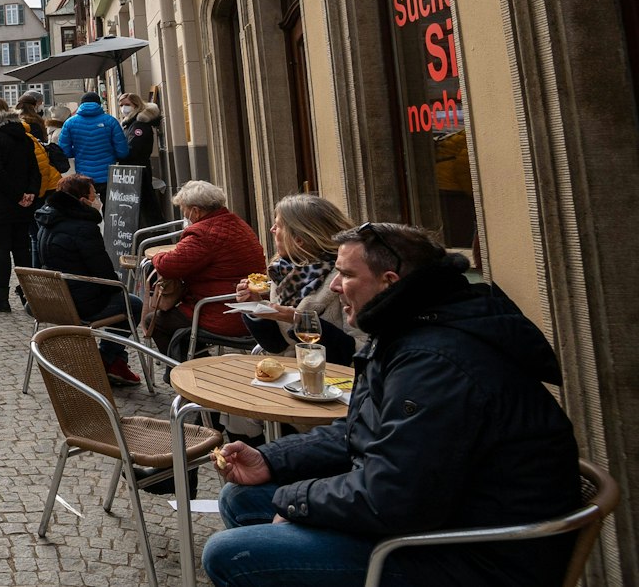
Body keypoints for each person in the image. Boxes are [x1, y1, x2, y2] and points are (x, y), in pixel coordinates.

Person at [203, 224, 579, 587]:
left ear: (389, 282)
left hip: (474, 554)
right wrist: (271, 459)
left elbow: (395, 496)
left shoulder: (435, 360)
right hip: (439, 520)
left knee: (231, 553)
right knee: (242, 495)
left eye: (346, 275)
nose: (334, 286)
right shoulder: (410, 330)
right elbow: (362, 432)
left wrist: (295, 499)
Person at [33, 175, 142, 385]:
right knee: (133, 303)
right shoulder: (84, 228)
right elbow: (103, 273)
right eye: (94, 195)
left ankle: (116, 364)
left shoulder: (46, 221)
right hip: (79, 303)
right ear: (83, 200)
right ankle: (106, 360)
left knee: (121, 298)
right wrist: (116, 287)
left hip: (51, 300)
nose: (97, 199)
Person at [234, 194, 364, 366]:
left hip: (335, 378)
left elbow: (359, 353)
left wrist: (302, 321)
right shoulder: (282, 273)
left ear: (299, 239)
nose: (272, 229)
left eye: (278, 225)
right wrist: (255, 308)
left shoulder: (346, 277)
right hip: (291, 373)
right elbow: (277, 346)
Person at [147, 180, 267, 355]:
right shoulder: (236, 222)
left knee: (156, 321)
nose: (185, 216)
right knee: (178, 322)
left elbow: (167, 266)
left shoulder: (202, 233)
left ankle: (185, 373)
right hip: (248, 307)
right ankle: (197, 362)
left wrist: (156, 256)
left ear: (195, 211)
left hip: (221, 311)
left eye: (184, 211)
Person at [0, 96, 41, 313]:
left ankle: (2, 299)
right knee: (22, 250)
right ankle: (29, 298)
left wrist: (16, 195)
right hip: (23, 202)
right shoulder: (24, 136)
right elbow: (35, 168)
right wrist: (30, 193)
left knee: (1, 250)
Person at [57, 92, 128, 197]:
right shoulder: (110, 121)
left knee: (87, 206)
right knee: (108, 207)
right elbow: (122, 152)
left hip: (83, 177)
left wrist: (78, 151)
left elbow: (64, 151)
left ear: (81, 104)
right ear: (99, 104)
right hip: (108, 175)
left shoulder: (70, 123)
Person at [16, 92, 62, 195]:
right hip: (39, 160)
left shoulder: (16, 121)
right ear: (34, 105)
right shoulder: (35, 122)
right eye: (40, 102)